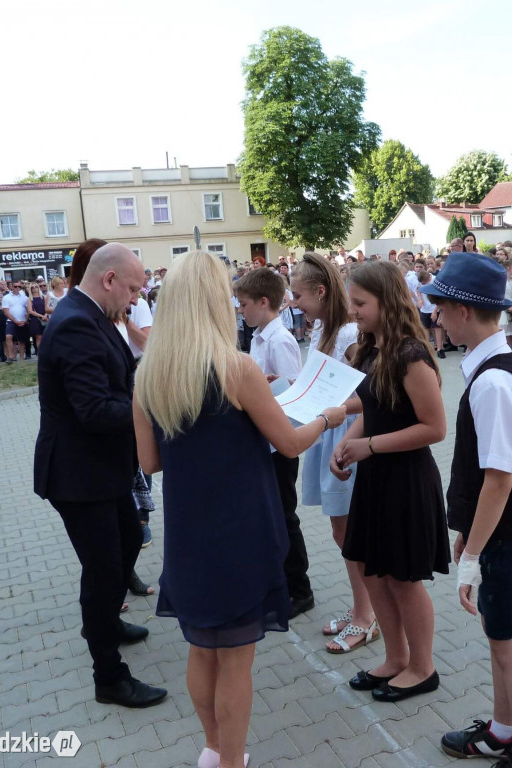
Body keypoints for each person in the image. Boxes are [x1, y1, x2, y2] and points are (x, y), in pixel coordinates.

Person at [133, 249, 345, 768]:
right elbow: (291, 444)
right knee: (236, 662)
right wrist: (329, 415)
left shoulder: (148, 375)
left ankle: (213, 749)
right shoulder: (237, 367)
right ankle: (231, 760)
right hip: (240, 528)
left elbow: (150, 461)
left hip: (187, 531)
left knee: (202, 648)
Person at [420, 252, 512, 768]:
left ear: (465, 311)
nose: (435, 316)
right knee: (499, 637)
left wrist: (473, 552)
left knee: (510, 645)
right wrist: (470, 536)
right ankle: (502, 731)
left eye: (440, 306)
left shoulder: (495, 381)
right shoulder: (487, 366)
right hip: (501, 530)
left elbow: (499, 480)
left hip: (510, 531)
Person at [33, 242, 168, 709]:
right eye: (132, 289)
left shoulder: (92, 316)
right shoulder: (75, 323)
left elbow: (121, 377)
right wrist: (155, 409)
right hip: (78, 474)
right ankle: (108, 676)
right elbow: (94, 410)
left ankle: (106, 624)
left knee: (129, 542)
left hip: (101, 468)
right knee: (104, 569)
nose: (134, 299)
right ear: (109, 279)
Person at [332, 260, 450, 704]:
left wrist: (371, 446)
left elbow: (434, 428)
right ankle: (395, 658)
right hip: (375, 478)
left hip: (406, 481)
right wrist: (348, 443)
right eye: (351, 302)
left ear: (387, 301)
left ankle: (423, 667)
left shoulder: (410, 354)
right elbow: (370, 407)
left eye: (360, 303)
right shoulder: (368, 350)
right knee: (374, 572)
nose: (354, 310)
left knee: (403, 578)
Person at [288, 253, 375, 655]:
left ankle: (367, 615)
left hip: (343, 434)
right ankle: (363, 606)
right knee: (342, 530)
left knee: (350, 530)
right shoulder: (324, 327)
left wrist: (333, 412)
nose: (294, 303)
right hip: (328, 429)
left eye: (298, 295)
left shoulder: (346, 335)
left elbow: (368, 396)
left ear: (320, 291)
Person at [234, 268, 315, 618]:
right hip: (264, 439)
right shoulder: (258, 336)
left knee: (284, 515)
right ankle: (278, 579)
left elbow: (293, 392)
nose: (241, 310)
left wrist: (269, 388)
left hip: (280, 440)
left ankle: (300, 589)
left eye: (245, 304)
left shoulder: (279, 340)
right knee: (270, 515)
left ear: (264, 303)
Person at [2, 282, 30, 363]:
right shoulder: (6, 297)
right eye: (15, 286)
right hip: (11, 321)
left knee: (21, 339)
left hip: (22, 320)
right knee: (8, 337)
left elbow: (28, 309)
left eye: (19, 287)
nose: (17, 288)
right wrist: (15, 321)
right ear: (12, 287)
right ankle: (10, 356)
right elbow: (6, 312)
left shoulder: (24, 297)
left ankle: (21, 358)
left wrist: (26, 319)